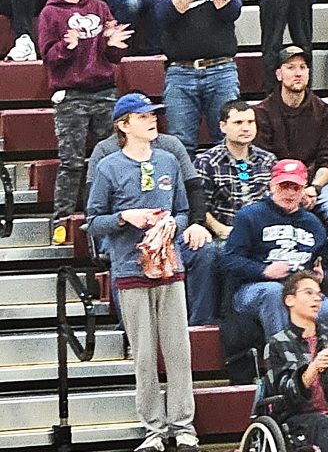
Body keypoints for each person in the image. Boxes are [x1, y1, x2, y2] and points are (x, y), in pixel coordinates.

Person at [85, 93, 198, 452]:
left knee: (179, 351)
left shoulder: (168, 160)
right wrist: (124, 217)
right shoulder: (109, 167)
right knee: (145, 355)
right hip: (130, 269)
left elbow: (183, 209)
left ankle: (183, 426)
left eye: (153, 115)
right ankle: (153, 429)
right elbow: (92, 221)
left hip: (170, 268)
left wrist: (173, 226)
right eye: (143, 116)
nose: (152, 121)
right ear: (123, 124)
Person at [39, 0, 129, 243]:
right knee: (72, 162)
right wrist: (68, 47)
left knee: (112, 158)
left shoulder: (100, 8)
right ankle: (61, 221)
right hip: (70, 95)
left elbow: (113, 54)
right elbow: (49, 58)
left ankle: (112, 219)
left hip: (103, 90)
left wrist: (113, 46)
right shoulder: (50, 14)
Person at [154, 0, 242, 155]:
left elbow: (232, 11)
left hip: (221, 70)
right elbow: (163, 13)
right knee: (181, 144)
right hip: (180, 72)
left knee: (228, 140)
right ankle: (187, 191)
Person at [222, 159, 328, 340]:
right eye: (283, 186)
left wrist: (322, 276)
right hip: (254, 288)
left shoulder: (313, 224)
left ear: (304, 190)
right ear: (271, 185)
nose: (289, 193)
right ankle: (284, 361)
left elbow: (324, 264)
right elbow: (229, 260)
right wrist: (264, 271)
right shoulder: (250, 216)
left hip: (300, 288)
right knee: (275, 293)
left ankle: (322, 361)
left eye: (295, 188)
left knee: (324, 305)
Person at [262, 270, 328, 452]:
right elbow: (285, 397)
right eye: (308, 293)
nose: (317, 299)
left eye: (319, 295)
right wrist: (312, 370)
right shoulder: (277, 344)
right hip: (299, 417)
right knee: (320, 423)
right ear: (290, 300)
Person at [255, 46, 328, 224]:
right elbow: (262, 161)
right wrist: (290, 190)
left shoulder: (322, 109)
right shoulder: (262, 112)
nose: (298, 73)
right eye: (290, 67)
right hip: (277, 183)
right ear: (279, 74)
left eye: (302, 67)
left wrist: (315, 188)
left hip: (313, 183)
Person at [194, 100, 277, 244]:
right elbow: (199, 206)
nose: (246, 128)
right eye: (238, 123)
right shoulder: (206, 162)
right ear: (223, 126)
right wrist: (219, 229)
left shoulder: (268, 160)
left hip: (266, 234)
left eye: (250, 122)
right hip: (226, 235)